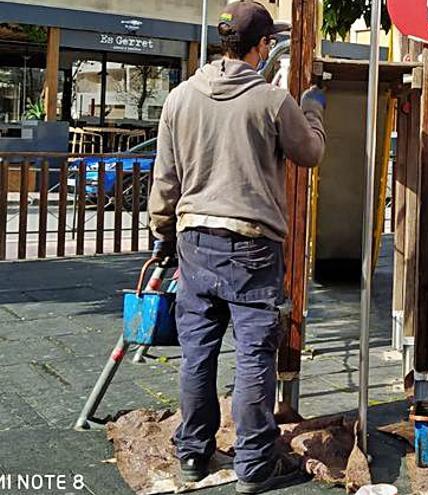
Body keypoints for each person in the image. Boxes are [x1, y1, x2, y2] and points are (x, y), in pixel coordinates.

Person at [148, 1, 326, 493]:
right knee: (253, 356)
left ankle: (192, 453)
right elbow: (308, 154)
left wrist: (163, 234)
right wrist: (313, 111)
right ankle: (253, 466)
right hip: (251, 246)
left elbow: (165, 181)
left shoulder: (181, 98)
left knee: (197, 354)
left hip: (194, 241)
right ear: (262, 46)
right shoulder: (270, 101)